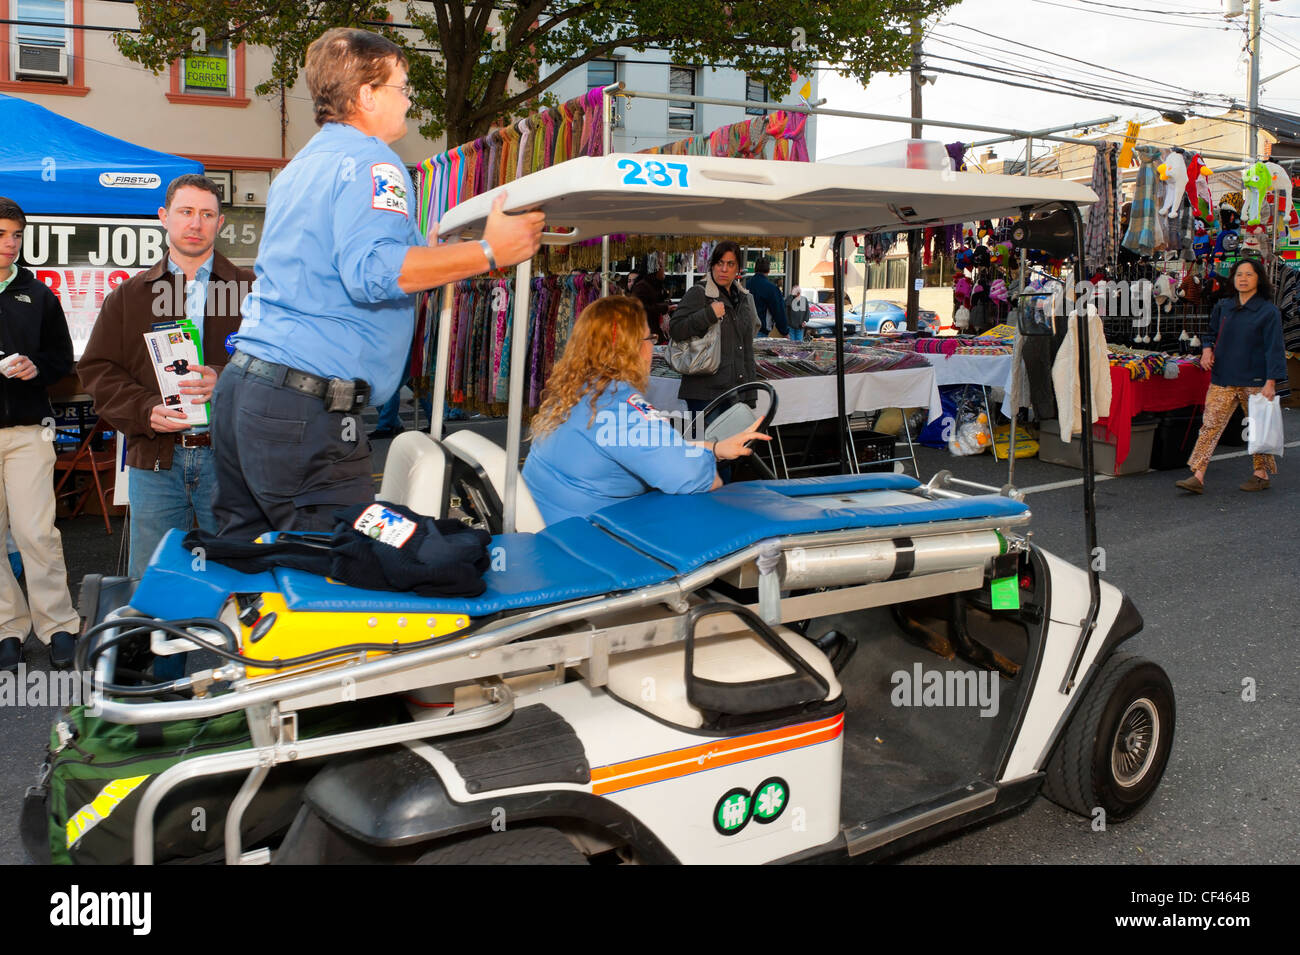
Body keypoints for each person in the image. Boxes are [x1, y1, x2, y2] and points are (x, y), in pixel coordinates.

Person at [213, 27, 544, 537]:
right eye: (402, 87)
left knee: (248, 552)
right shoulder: (374, 163)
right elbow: (375, 273)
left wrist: (431, 257)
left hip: (248, 391)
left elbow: (338, 267)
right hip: (305, 408)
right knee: (342, 566)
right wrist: (489, 252)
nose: (409, 101)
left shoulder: (303, 165)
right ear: (366, 95)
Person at [80, 174, 253, 579]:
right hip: (156, 459)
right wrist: (144, 410)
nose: (196, 223)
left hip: (229, 459)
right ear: (164, 217)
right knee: (156, 580)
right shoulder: (130, 295)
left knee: (231, 577)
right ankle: (158, 643)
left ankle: (217, 646)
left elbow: (279, 364)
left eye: (207, 214)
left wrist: (224, 378)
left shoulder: (252, 291)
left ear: (220, 223)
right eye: (186, 212)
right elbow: (97, 369)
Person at [522, 296, 767, 524]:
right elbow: (698, 477)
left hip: (550, 526)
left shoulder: (576, 393)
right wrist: (705, 462)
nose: (652, 346)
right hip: (590, 542)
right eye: (650, 339)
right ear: (633, 349)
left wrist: (714, 449)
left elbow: (649, 448)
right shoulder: (619, 407)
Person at [0, 197, 80, 671]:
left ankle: (59, 625)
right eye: (1, 235)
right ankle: (8, 628)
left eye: (15, 235)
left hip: (30, 430)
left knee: (36, 533)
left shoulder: (40, 295)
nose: (9, 244)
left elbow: (62, 362)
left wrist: (36, 369)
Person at [1176, 257, 1286, 494]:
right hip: (1223, 375)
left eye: (1249, 274)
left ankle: (1261, 473)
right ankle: (1198, 474)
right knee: (1210, 425)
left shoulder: (1268, 311)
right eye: (1239, 274)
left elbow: (1274, 348)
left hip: (1256, 379)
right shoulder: (1224, 306)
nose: (1243, 279)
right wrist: (1206, 350)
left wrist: (1271, 382)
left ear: (1259, 279)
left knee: (1258, 428)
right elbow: (1210, 333)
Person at [668, 241, 759, 423]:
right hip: (704, 393)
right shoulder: (699, 293)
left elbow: (746, 349)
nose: (724, 269)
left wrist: (749, 393)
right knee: (702, 447)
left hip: (735, 392)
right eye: (719, 263)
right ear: (712, 265)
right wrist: (708, 314)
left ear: (738, 269)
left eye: (730, 264)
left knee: (729, 449)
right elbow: (675, 329)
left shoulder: (744, 299)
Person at [631, 263, 672, 343]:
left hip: (653, 331)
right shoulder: (642, 286)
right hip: (645, 332)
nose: (664, 270)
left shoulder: (654, 285)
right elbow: (642, 308)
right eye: (661, 267)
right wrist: (665, 308)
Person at [748, 256, 788, 337]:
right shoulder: (771, 289)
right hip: (760, 331)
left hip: (744, 331)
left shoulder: (746, 284)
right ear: (769, 270)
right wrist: (784, 331)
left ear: (755, 269)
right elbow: (779, 311)